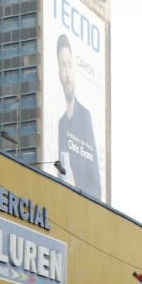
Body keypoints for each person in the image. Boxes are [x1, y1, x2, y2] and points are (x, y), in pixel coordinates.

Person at [55, 32, 102, 198]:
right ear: (59, 73)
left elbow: (96, 184)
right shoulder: (61, 123)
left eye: (69, 65)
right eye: (63, 66)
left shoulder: (85, 116)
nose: (67, 73)